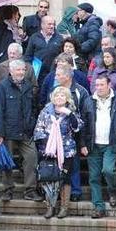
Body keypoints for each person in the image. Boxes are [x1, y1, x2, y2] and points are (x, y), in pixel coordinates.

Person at [84, 75, 116, 218]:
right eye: (96, 85)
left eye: (101, 85)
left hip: (112, 143)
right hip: (93, 144)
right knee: (94, 177)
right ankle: (98, 207)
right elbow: (84, 124)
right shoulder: (88, 101)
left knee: (108, 170)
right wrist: (82, 144)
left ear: (109, 85)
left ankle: (112, 192)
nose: (98, 88)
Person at [0, 60, 39, 202]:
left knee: (32, 158)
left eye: (23, 70)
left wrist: (32, 126)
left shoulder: (29, 86)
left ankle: (30, 190)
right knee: (7, 162)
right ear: (11, 71)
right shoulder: (2, 86)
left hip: (26, 132)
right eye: (18, 70)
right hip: (7, 132)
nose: (21, 73)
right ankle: (7, 189)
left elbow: (34, 108)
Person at [46, 63, 93, 203]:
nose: (56, 77)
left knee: (74, 164)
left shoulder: (81, 91)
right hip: (55, 135)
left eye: (58, 75)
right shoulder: (54, 90)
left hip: (74, 134)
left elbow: (86, 115)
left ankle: (76, 191)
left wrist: (84, 139)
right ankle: (57, 192)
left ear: (67, 76)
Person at [34, 86, 82, 219]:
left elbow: (77, 127)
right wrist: (47, 144)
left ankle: (64, 208)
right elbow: (38, 129)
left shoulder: (71, 111)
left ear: (67, 98)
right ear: (53, 98)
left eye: (62, 96)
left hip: (66, 151)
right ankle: (50, 207)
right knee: (49, 178)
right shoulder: (46, 111)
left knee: (64, 178)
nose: (59, 98)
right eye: (57, 96)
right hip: (49, 150)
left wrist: (69, 114)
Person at [24, 15, 63, 84]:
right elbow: (28, 56)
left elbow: (62, 55)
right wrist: (30, 71)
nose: (52, 26)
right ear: (42, 25)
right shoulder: (34, 37)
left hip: (54, 74)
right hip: (37, 74)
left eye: (53, 24)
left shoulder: (59, 38)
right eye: (49, 24)